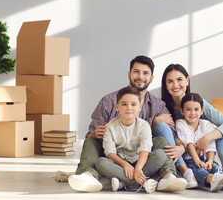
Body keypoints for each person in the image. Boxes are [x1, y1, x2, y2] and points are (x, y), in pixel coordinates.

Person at [68, 56, 192, 192]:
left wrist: (181, 146)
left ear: (151, 78)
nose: (140, 77)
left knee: (161, 141)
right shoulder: (109, 101)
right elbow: (91, 133)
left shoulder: (158, 105)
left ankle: (168, 176)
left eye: (145, 73)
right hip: (113, 156)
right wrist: (95, 133)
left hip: (142, 158)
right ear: (129, 75)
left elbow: (171, 135)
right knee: (90, 140)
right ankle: (89, 175)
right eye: (136, 72)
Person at [95, 87, 187, 193]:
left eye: (133, 104)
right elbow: (110, 153)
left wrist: (138, 168)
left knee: (161, 154)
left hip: (142, 163)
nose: (129, 108)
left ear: (139, 107)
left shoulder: (144, 125)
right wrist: (125, 165)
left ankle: (125, 182)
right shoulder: (110, 127)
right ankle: (146, 181)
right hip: (120, 165)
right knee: (100, 162)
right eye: (124, 104)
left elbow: (145, 149)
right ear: (117, 107)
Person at [161, 64, 223, 174]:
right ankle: (186, 171)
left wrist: (206, 138)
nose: (175, 85)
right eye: (170, 81)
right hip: (181, 157)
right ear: (166, 85)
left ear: (187, 80)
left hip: (202, 153)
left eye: (179, 79)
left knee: (221, 131)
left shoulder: (199, 104)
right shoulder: (162, 107)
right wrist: (182, 147)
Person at [176, 92, 223, 192]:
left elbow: (211, 147)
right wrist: (197, 161)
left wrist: (209, 161)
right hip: (190, 159)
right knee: (198, 170)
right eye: (188, 109)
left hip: (206, 158)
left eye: (196, 109)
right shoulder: (180, 123)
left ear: (202, 111)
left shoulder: (206, 124)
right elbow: (189, 144)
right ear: (182, 111)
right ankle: (213, 180)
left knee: (215, 167)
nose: (192, 113)